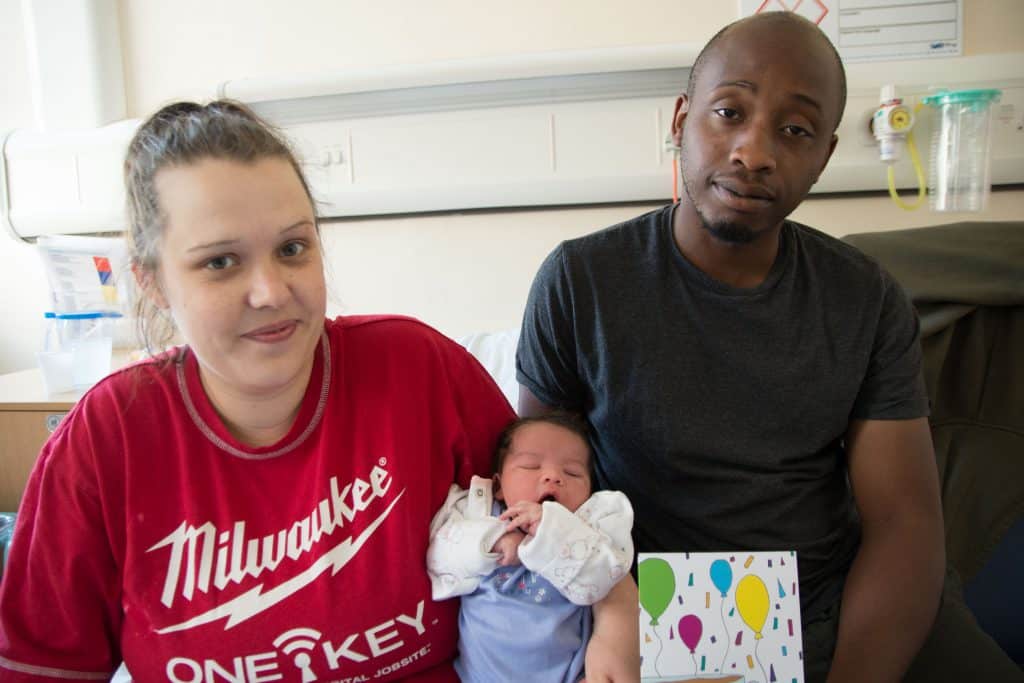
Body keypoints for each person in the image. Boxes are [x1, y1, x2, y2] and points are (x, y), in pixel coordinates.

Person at [0, 101, 636, 683]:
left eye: (293, 248)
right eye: (220, 261)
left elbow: (560, 516)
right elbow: (43, 667)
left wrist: (617, 613)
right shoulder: (108, 437)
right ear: (154, 284)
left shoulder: (420, 372)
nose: (272, 291)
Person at [516, 12, 1022, 683]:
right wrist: (614, 615)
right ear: (680, 121)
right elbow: (542, 492)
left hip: (837, 601)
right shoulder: (580, 283)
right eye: (729, 112)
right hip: (655, 610)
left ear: (824, 153)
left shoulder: (866, 301)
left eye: (795, 130)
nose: (753, 151)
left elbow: (904, 524)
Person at [427, 413, 634, 683]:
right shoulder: (478, 511)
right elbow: (438, 558)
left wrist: (551, 532)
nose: (552, 476)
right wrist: (493, 540)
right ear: (499, 485)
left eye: (572, 472)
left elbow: (604, 578)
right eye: (530, 466)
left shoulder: (590, 524)